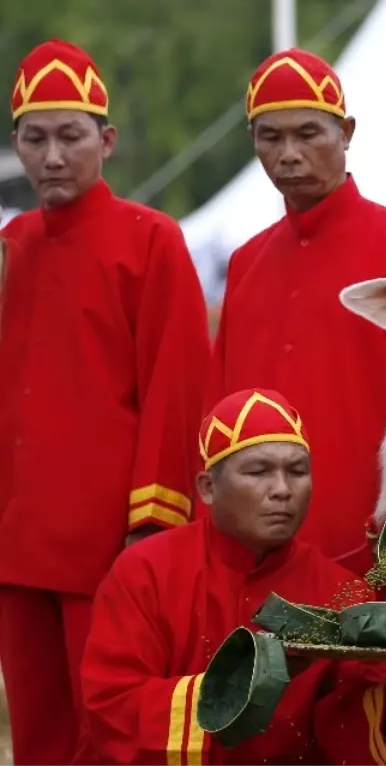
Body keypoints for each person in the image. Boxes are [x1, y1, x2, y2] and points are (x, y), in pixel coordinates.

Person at [74, 388, 386, 765]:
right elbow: (113, 707)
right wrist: (244, 682)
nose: (282, 489)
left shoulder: (341, 591)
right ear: (207, 487)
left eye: (297, 471)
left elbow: (351, 725)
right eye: (258, 472)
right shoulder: (144, 572)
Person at [0, 38, 210, 765]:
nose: (52, 157)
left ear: (106, 140)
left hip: (108, 547)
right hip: (17, 541)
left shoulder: (151, 239)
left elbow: (175, 389)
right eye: (35, 138)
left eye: (71, 136)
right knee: (37, 733)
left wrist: (151, 528)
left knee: (114, 734)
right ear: (16, 143)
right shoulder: (12, 244)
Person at [205, 47, 386, 566]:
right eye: (270, 137)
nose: (288, 153)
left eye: (307, 133)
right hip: (256, 548)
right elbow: (221, 409)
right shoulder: (246, 262)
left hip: (374, 543)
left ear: (347, 132)